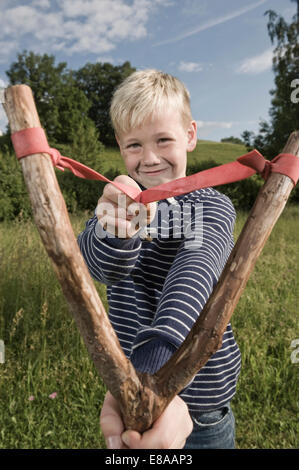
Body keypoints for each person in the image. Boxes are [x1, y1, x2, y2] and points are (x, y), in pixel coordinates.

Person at [77, 69, 241, 449]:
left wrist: (151, 372)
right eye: (134, 145)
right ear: (120, 145)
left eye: (163, 140)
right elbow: (101, 267)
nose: (149, 159)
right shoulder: (115, 206)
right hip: (137, 407)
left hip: (200, 409)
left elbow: (195, 273)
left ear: (190, 135)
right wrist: (118, 231)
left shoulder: (211, 205)